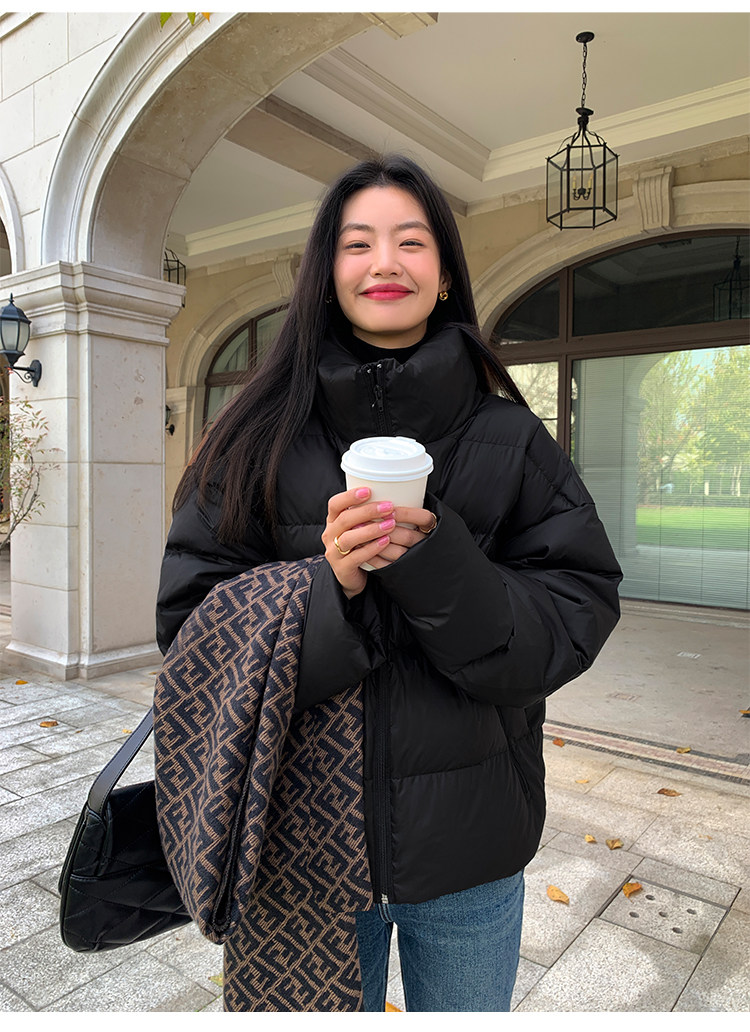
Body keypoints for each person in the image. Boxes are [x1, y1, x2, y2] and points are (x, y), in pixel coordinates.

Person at [155, 154, 622, 1012]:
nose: (385, 262)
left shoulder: (513, 440)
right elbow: (191, 632)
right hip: (299, 846)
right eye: (357, 243)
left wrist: (434, 560)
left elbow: (575, 612)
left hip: (471, 847)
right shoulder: (254, 438)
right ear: (327, 275)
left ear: (444, 276)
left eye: (411, 241)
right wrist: (325, 587)